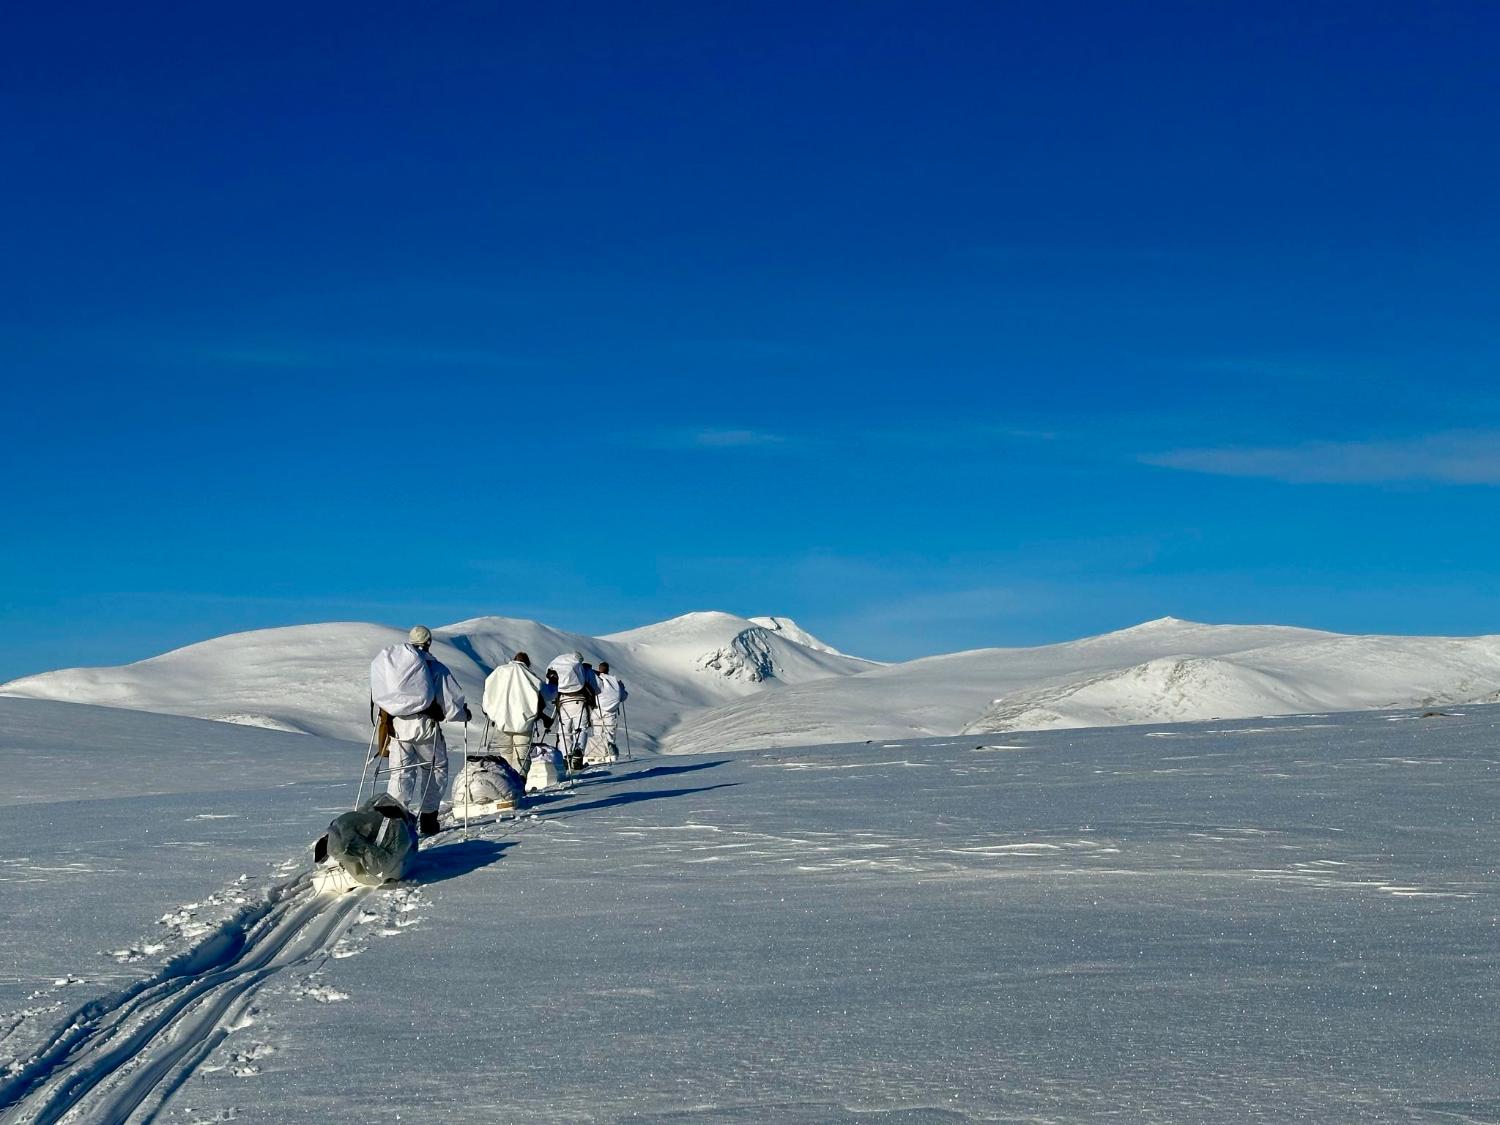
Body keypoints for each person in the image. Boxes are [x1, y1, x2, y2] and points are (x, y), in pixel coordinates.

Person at [369, 625, 470, 837]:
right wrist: (464, 714)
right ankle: (428, 818)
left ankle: (394, 823)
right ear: (429, 642)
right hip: (425, 728)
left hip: (397, 728)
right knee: (435, 769)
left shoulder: (394, 667)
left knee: (400, 773)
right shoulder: (435, 667)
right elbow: (451, 707)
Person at [480, 651, 546, 776]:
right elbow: (544, 692)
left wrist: (489, 711)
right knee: (521, 757)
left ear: (513, 659)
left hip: (501, 723)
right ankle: (520, 783)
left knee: (506, 756)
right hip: (524, 724)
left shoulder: (499, 672)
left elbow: (488, 693)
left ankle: (509, 784)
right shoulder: (528, 674)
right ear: (527, 663)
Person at [546, 651, 597, 772]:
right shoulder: (582, 669)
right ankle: (578, 752)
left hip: (563, 701)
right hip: (579, 701)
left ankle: (565, 756)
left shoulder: (557, 664)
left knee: (564, 731)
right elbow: (596, 687)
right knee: (581, 728)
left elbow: (550, 685)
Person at [585, 660, 629, 764]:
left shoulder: (595, 680)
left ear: (599, 669)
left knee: (597, 732)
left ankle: (597, 754)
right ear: (608, 669)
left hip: (596, 710)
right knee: (609, 734)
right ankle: (611, 754)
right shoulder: (615, 682)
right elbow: (623, 697)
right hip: (610, 712)